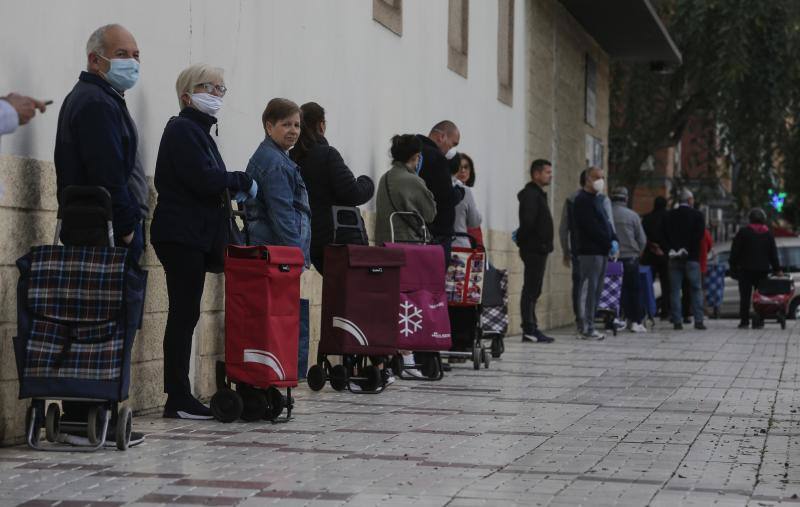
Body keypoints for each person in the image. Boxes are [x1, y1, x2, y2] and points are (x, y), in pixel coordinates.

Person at [53, 23, 148, 437]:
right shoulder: (94, 102)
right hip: (102, 233)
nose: (133, 63)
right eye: (124, 54)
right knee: (101, 325)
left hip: (100, 229)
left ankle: (91, 414)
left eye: (136, 55)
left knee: (98, 324)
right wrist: (127, 229)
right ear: (96, 59)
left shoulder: (105, 97)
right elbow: (108, 173)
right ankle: (86, 416)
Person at [150, 64, 256, 419]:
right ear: (186, 95)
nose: (216, 95)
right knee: (183, 314)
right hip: (181, 235)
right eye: (209, 88)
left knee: (187, 313)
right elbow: (204, 179)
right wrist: (240, 179)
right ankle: (177, 396)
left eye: (221, 89)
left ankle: (179, 395)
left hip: (191, 235)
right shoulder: (182, 129)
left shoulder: (198, 133)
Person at [375, 135, 436, 379]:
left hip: (384, 248)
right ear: (416, 157)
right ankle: (408, 359)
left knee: (387, 305)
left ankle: (388, 358)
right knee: (407, 304)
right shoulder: (412, 180)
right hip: (407, 249)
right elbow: (430, 213)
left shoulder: (385, 178)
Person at [291, 102, 374, 273]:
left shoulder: (292, 157)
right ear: (321, 125)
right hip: (340, 237)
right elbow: (352, 193)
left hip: (312, 240)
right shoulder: (327, 154)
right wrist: (367, 182)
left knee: (335, 289)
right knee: (352, 293)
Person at [245, 98, 311, 265]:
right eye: (286, 124)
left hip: (273, 251)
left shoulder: (275, 157)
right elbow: (282, 213)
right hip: (276, 255)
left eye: (297, 125)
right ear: (269, 127)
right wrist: (295, 255)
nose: (294, 131)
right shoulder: (276, 163)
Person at [573, 166, 617, 340]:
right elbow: (590, 227)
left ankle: (590, 324)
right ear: (588, 179)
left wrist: (614, 239)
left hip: (601, 251)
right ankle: (585, 327)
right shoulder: (582, 200)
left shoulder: (597, 200)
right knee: (588, 289)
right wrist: (607, 241)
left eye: (603, 177)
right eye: (597, 177)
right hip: (590, 251)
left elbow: (605, 222)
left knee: (597, 290)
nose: (601, 181)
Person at [517, 159, 555, 343]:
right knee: (531, 289)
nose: (550, 175)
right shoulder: (531, 195)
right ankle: (529, 329)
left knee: (535, 289)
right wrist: (529, 243)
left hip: (539, 249)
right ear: (536, 174)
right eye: (547, 172)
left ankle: (532, 327)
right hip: (534, 249)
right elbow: (528, 223)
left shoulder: (537, 194)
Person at [416, 121, 464, 260]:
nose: (451, 150)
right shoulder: (437, 158)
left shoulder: (414, 151)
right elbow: (446, 197)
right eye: (453, 144)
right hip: (436, 234)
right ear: (441, 137)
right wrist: (459, 193)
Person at [729, 208, 781, 329]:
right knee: (761, 297)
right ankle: (759, 321)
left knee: (745, 297)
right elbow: (773, 254)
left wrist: (733, 265)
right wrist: (777, 269)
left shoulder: (743, 232)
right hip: (762, 271)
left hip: (745, 271)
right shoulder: (768, 234)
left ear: (750, 219)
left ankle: (744, 321)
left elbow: (735, 251)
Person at [663, 189, 706, 330]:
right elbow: (699, 236)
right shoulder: (698, 215)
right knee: (696, 289)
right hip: (692, 258)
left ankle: (677, 321)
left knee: (675, 290)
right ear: (689, 200)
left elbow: (665, 236)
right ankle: (698, 320)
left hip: (674, 258)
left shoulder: (669, 216)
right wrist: (687, 249)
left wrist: (673, 249)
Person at [610, 187, 648, 333]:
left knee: (615, 291)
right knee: (634, 290)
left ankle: (618, 319)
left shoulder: (607, 215)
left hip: (612, 259)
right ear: (625, 199)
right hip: (630, 258)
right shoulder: (633, 216)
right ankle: (636, 321)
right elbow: (642, 240)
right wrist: (638, 252)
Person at [559, 169, 587, 332]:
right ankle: (586, 318)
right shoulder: (599, 200)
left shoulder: (571, 199)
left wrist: (566, 250)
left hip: (577, 249)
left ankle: (580, 318)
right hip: (590, 250)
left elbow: (564, 228)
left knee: (578, 284)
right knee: (589, 285)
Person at [642, 196, 671, 319]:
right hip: (665, 255)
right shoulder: (670, 217)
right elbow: (671, 235)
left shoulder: (647, 218)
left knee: (648, 283)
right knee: (666, 285)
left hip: (650, 254)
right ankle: (665, 312)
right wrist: (663, 248)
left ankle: (647, 310)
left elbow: (642, 236)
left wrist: (652, 246)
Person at [451, 153, 482, 248]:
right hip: (460, 244)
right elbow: (474, 222)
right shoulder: (465, 191)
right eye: (460, 167)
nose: (463, 170)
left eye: (466, 167)